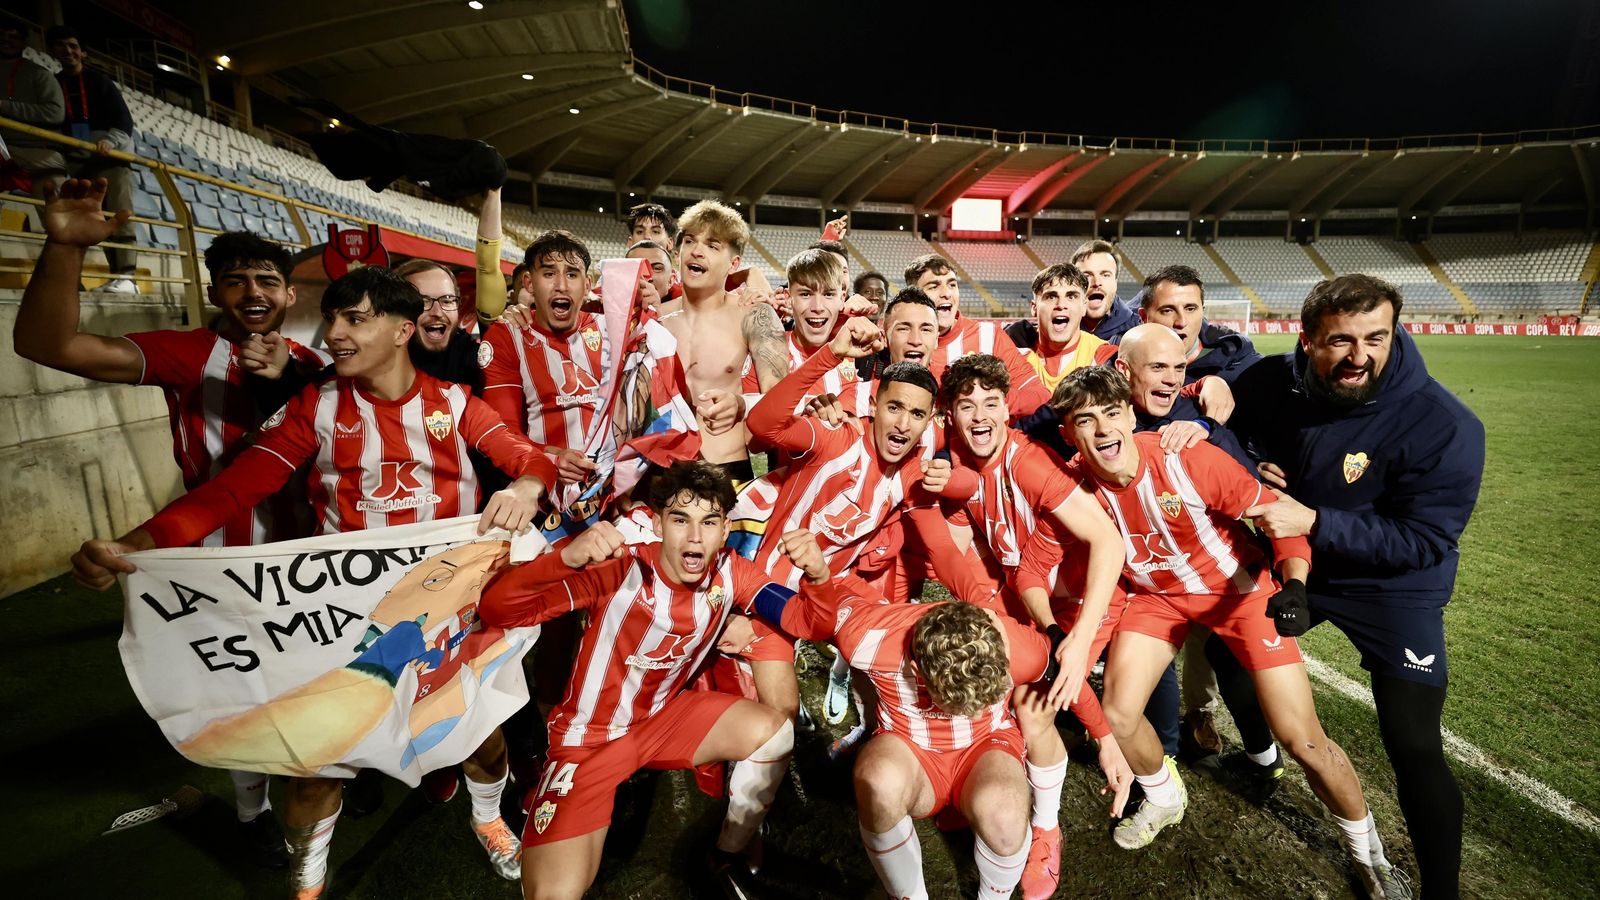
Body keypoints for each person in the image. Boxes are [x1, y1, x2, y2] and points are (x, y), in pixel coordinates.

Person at [69, 265, 557, 898]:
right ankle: (308, 876)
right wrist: (136, 544)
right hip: (347, 618)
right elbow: (234, 489)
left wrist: (524, 485)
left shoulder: (455, 404)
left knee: (479, 738)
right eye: (332, 318)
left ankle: (488, 817)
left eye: (355, 318)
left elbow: (530, 456)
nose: (335, 333)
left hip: (448, 613)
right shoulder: (316, 406)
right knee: (318, 763)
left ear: (403, 329)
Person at [14, 178, 329, 864]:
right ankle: (253, 814)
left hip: (307, 556)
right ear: (216, 292)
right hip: (213, 553)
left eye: (268, 281)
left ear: (290, 295)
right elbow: (50, 346)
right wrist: (64, 246)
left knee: (310, 682)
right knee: (242, 691)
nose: (254, 293)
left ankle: (328, 777)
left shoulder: (315, 367)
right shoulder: (191, 353)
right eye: (238, 281)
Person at [1051, 365, 1410, 899]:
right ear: (1069, 434)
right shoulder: (1073, 484)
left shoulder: (1186, 457)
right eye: (1086, 420)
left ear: (1130, 414)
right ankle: (1164, 798)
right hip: (1158, 599)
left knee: (1303, 740)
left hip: (1239, 594)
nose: (1103, 429)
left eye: (1111, 413)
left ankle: (1368, 853)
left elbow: (1277, 516)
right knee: (1120, 714)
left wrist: (1294, 585)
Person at [1230, 274, 1484, 900]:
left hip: (1396, 588)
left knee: (1413, 742)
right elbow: (1227, 428)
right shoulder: (1270, 381)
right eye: (1340, 341)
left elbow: (1423, 542)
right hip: (1303, 569)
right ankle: (1260, 759)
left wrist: (1313, 520)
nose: (1360, 356)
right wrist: (1248, 459)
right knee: (1228, 654)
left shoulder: (1444, 423)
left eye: (1377, 337)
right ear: (1309, 339)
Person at [478, 461, 806, 899]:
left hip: (663, 719)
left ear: (725, 529)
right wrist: (564, 559)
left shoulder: (731, 572)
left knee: (775, 734)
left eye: (708, 522)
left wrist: (817, 581)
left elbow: (804, 617)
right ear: (657, 524)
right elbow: (498, 610)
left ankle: (724, 854)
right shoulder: (620, 569)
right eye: (680, 521)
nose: (694, 537)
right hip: (587, 741)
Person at [920, 353, 1130, 899]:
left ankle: (1046, 828)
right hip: (1039, 603)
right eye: (968, 405)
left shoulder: (1027, 464)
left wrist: (1078, 639)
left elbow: (1109, 540)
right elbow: (974, 554)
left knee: (1034, 708)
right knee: (988, 671)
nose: (982, 416)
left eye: (992, 403)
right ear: (949, 414)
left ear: (1007, 410)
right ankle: (980, 783)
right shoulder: (969, 471)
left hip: (1086, 604)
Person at [747, 570, 1063, 900]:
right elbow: (808, 609)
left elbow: (1067, 673)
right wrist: (745, 605)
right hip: (911, 752)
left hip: (984, 747)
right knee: (876, 780)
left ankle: (1001, 888)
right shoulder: (867, 635)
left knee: (1006, 814)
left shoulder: (1018, 647)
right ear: (917, 671)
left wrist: (1105, 738)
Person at [656, 199, 789, 471]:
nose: (696, 252)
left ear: (734, 263)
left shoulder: (754, 316)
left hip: (727, 469)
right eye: (690, 241)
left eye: (712, 246)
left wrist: (742, 404)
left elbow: (781, 399)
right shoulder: (655, 319)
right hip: (662, 470)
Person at [38, 26, 138, 291]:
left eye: (73, 45)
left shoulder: (100, 82)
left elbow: (124, 120)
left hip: (109, 160)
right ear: (53, 51)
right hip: (75, 162)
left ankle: (127, 275)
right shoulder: (53, 83)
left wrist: (110, 141)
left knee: (116, 213)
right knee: (93, 220)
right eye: (61, 46)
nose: (68, 51)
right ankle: (106, 277)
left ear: (82, 52)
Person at [902, 253, 1049, 415]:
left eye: (952, 285)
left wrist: (988, 400)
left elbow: (1040, 397)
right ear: (913, 295)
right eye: (934, 286)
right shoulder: (900, 341)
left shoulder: (989, 337)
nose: (946, 293)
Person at [1011, 263, 1117, 394]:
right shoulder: (1014, 353)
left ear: (1084, 307)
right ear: (1034, 308)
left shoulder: (1103, 356)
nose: (1061, 305)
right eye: (1051, 296)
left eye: (1071, 296)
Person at [0, 24, 66, 193]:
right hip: (5, 148)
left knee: (55, 213)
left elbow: (55, 113)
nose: (7, 40)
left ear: (24, 43)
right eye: (3, 35)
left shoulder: (39, 73)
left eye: (13, 37)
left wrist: (4, 106)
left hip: (39, 151)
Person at [1072, 240, 1140, 344]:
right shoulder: (1061, 327)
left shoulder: (1136, 330)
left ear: (1115, 283)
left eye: (1105, 275)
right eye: (1086, 276)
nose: (1097, 282)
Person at [626, 238, 674, 304]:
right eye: (636, 268)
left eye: (657, 268)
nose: (646, 277)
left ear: (670, 281)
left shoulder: (684, 312)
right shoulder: (608, 310)